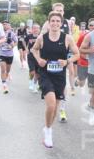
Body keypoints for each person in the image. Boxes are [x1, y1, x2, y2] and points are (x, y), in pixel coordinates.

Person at [32, 11, 79, 148]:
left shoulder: (67, 38)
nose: (55, 23)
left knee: (56, 107)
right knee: (51, 104)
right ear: (48, 22)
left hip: (59, 77)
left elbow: (77, 54)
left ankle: (48, 127)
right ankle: (48, 131)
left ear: (61, 23)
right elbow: (34, 50)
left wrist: (67, 61)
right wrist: (39, 59)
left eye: (58, 21)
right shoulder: (42, 37)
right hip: (45, 75)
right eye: (52, 21)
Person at [75, 19, 94, 90]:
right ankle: (78, 80)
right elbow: (77, 47)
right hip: (83, 62)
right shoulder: (83, 36)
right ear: (88, 26)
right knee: (82, 84)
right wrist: (82, 54)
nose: (93, 27)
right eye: (91, 25)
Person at [0, 21, 17, 93]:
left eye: (6, 24)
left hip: (9, 55)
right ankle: (4, 84)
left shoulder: (12, 34)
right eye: (3, 24)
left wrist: (12, 46)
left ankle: (7, 75)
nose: (4, 26)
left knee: (7, 70)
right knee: (3, 69)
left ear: (9, 26)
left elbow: (16, 42)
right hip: (1, 54)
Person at [25, 23, 41, 92]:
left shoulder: (41, 37)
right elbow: (24, 42)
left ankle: (35, 85)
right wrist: (26, 49)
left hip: (38, 57)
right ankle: (31, 80)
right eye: (34, 28)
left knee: (38, 73)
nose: (36, 30)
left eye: (37, 28)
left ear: (39, 29)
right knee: (32, 72)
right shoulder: (29, 36)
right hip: (31, 56)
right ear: (32, 29)